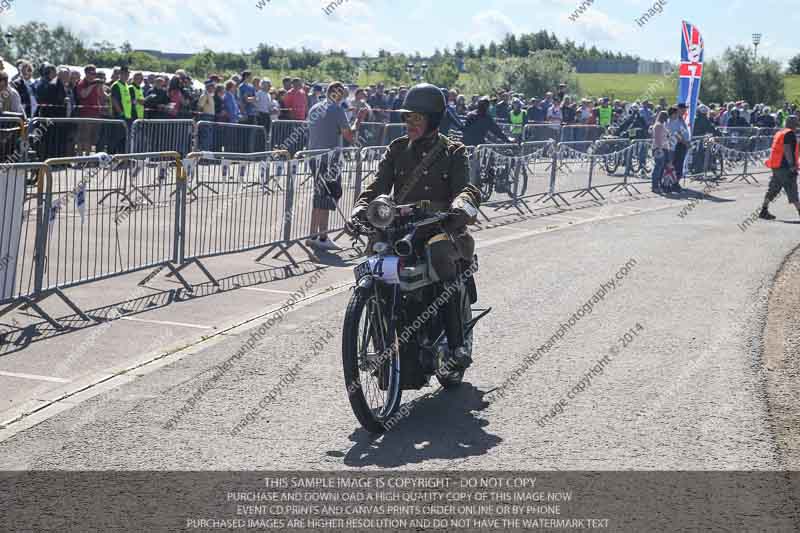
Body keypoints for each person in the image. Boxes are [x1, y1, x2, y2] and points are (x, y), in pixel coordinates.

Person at [350, 83, 482, 371]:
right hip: (398, 228)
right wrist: (361, 209)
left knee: (439, 254)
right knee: (372, 256)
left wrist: (459, 208)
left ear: (433, 120)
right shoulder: (397, 149)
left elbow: (466, 188)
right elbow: (377, 186)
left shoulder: (453, 151)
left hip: (438, 227)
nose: (410, 123)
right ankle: (377, 332)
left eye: (417, 118)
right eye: (407, 118)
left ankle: (457, 346)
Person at [305, 82, 360, 251]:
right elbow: (348, 135)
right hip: (329, 159)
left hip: (314, 156)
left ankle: (313, 235)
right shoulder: (336, 109)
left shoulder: (315, 107)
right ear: (339, 94)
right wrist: (356, 125)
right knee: (330, 195)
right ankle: (322, 236)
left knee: (319, 196)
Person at [759, 115, 800, 220]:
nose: (798, 123)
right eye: (796, 121)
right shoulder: (789, 133)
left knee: (773, 189)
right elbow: (787, 149)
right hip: (785, 167)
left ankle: (763, 211)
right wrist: (792, 165)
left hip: (776, 166)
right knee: (792, 190)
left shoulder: (780, 132)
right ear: (793, 123)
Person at [668, 103, 691, 190]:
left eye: (685, 109)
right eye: (683, 109)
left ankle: (675, 182)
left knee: (679, 164)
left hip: (682, 144)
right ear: (678, 109)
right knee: (676, 164)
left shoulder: (681, 119)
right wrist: (685, 142)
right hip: (678, 145)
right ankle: (673, 183)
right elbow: (676, 133)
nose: (685, 110)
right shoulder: (675, 119)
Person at [651, 110, 670, 193]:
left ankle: (659, 184)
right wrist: (659, 149)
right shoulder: (658, 125)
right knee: (658, 167)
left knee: (662, 168)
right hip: (659, 148)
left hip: (664, 148)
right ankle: (654, 185)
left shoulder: (662, 125)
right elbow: (657, 138)